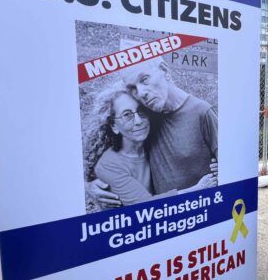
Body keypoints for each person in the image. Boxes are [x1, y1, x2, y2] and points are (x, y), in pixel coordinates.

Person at [85, 85, 217, 207]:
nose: (138, 121)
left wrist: (217, 163)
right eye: (127, 115)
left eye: (141, 112)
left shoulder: (150, 142)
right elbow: (145, 205)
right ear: (114, 126)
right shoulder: (109, 165)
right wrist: (198, 189)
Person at [119, 57, 218, 194]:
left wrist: (222, 170)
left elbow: (229, 167)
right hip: (162, 211)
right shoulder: (140, 119)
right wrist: (91, 184)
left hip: (200, 209)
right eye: (133, 88)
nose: (141, 93)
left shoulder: (202, 112)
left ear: (164, 71)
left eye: (145, 79)